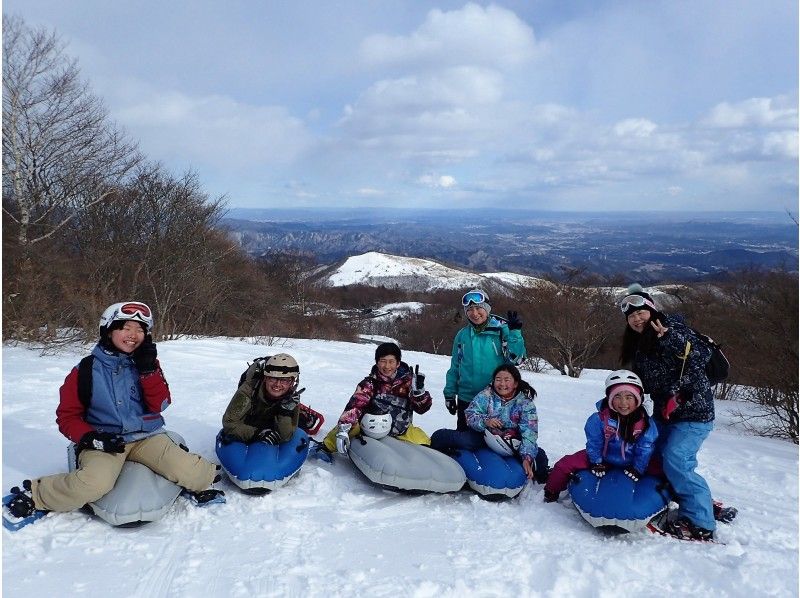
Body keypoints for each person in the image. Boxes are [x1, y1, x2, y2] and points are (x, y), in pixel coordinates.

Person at [4, 301, 223, 521]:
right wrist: (91, 438)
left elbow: (161, 405)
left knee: (200, 475)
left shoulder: (148, 364)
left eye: (140, 329)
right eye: (125, 328)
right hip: (106, 441)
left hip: (147, 436)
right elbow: (67, 416)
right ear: (109, 331)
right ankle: (38, 494)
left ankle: (183, 464)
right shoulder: (86, 370)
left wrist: (148, 371)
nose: (133, 334)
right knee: (94, 483)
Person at [618, 283, 722, 540]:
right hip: (666, 413)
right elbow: (648, 382)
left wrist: (669, 337)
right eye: (631, 316)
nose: (637, 319)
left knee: (677, 459)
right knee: (652, 453)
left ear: (652, 311)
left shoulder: (673, 330)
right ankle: (684, 498)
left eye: (641, 312)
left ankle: (701, 522)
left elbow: (700, 356)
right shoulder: (640, 346)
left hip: (694, 414)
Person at [543, 370, 658, 502]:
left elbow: (645, 448)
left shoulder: (646, 423)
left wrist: (638, 468)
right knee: (565, 464)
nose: (623, 403)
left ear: (638, 399)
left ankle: (666, 500)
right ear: (609, 398)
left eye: (629, 397)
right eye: (617, 397)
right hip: (604, 458)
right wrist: (596, 461)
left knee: (664, 471)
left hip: (632, 461)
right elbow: (594, 443)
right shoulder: (599, 419)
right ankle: (551, 490)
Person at [431, 364, 548, 482]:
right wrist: (486, 421)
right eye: (498, 380)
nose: (502, 384)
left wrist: (527, 458)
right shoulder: (486, 395)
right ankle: (439, 437)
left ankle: (542, 478)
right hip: (485, 435)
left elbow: (529, 433)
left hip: (510, 442)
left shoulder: (525, 403)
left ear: (515, 383)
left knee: (539, 457)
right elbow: (470, 414)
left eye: (507, 380)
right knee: (465, 440)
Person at [322, 342, 432, 455]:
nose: (387, 366)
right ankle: (324, 447)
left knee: (424, 441)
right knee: (349, 427)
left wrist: (419, 393)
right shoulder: (370, 383)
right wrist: (344, 429)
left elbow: (422, 409)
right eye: (383, 361)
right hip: (370, 429)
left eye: (391, 362)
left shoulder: (409, 383)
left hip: (400, 430)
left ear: (398, 363)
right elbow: (355, 405)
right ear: (377, 362)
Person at [444, 289, 526, 430]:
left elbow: (517, 360)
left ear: (487, 308)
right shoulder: (462, 335)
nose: (474, 313)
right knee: (465, 443)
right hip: (467, 399)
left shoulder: (501, 330)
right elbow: (455, 367)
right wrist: (450, 394)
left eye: (478, 308)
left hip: (495, 399)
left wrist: (515, 334)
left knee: (494, 443)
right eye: (469, 309)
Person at [221, 354, 302, 444]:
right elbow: (229, 423)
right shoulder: (248, 390)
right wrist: (257, 433)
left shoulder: (291, 400)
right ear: (265, 378)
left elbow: (286, 437)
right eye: (273, 378)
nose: (277, 385)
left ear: (292, 383)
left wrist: (284, 412)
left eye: (284, 380)